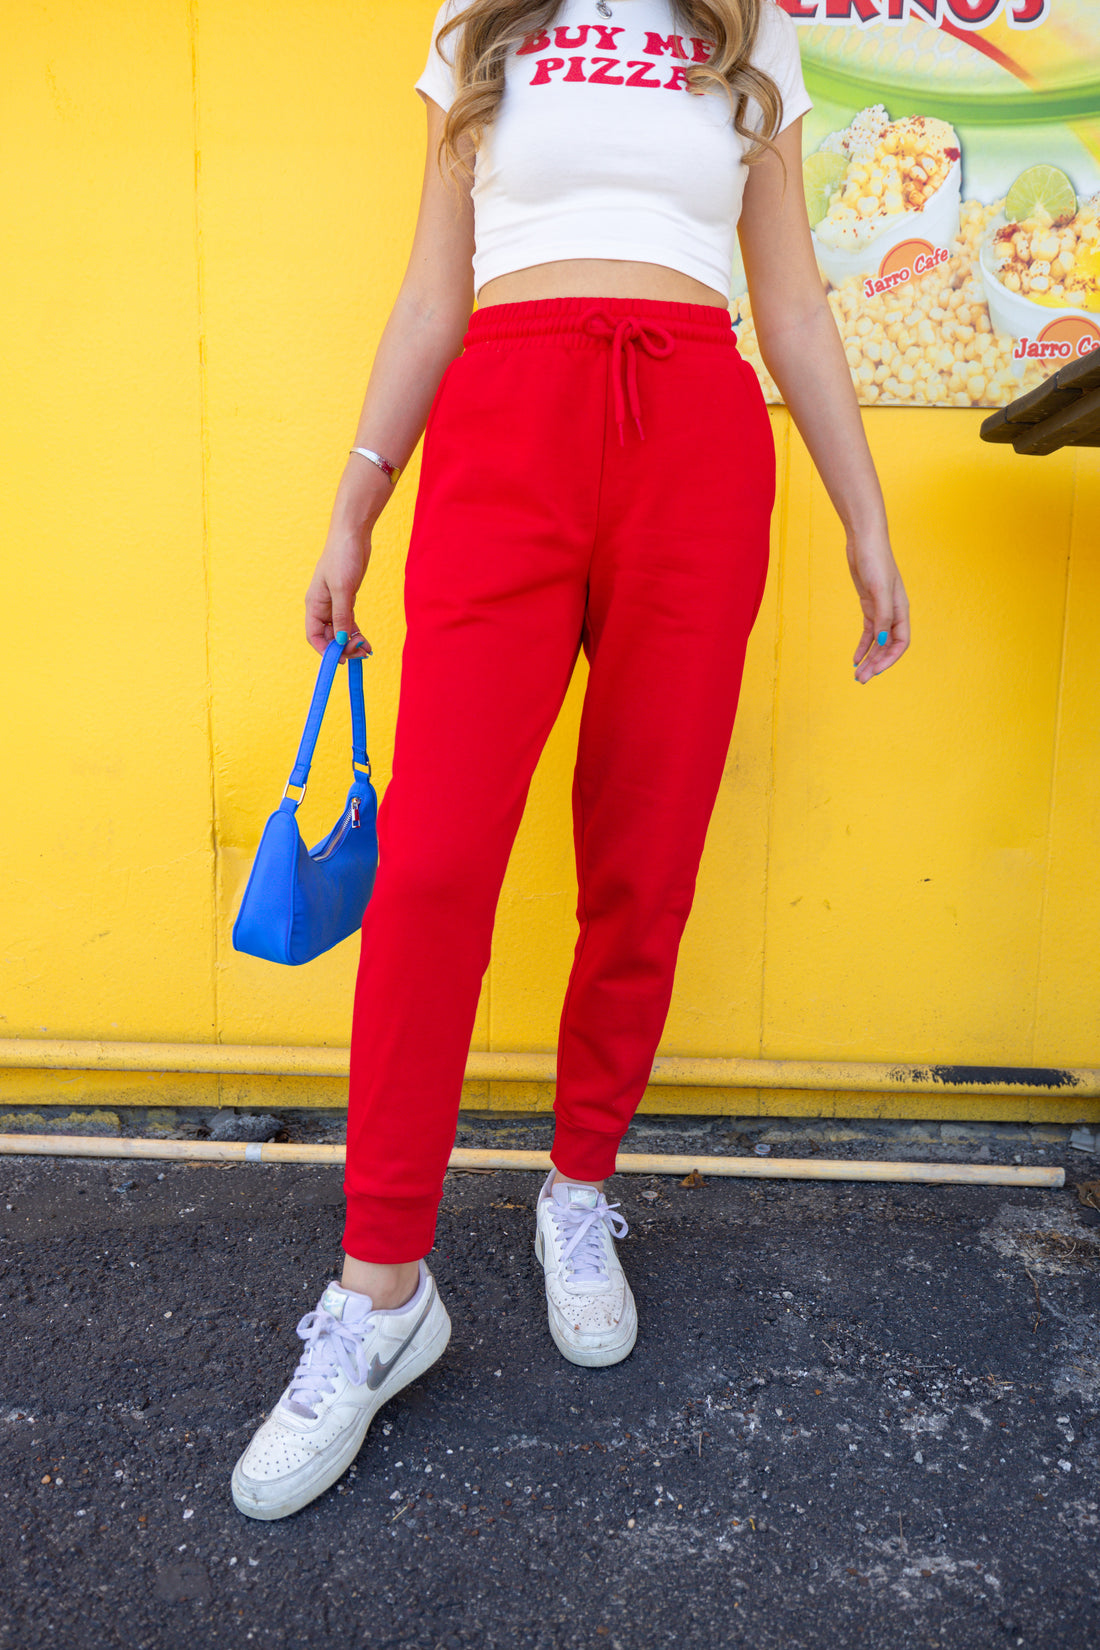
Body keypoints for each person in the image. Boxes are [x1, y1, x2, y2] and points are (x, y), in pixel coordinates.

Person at [231, 0, 910, 1522]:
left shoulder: (752, 37)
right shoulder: (478, 28)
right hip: (504, 432)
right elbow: (431, 288)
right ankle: (382, 1289)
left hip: (695, 438)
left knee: (643, 858)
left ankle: (580, 1188)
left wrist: (865, 515)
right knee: (434, 869)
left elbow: (790, 304)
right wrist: (355, 499)